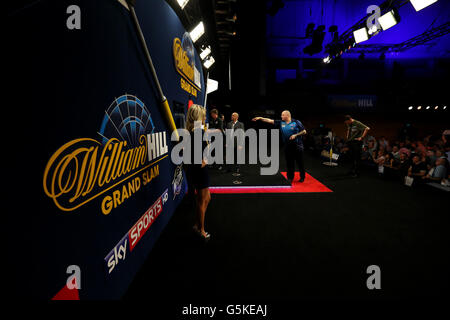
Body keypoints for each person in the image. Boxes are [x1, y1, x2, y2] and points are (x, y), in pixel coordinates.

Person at [252, 110, 307, 183]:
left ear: (287, 115)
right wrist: (260, 118)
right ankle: (290, 177)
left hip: (297, 146)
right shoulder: (281, 122)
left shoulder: (296, 122)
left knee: (300, 163)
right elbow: (269, 120)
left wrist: (296, 135)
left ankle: (302, 177)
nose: (281, 116)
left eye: (282, 115)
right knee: (289, 163)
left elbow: (304, 131)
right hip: (287, 146)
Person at [184, 104, 211, 241]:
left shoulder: (196, 131)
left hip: (200, 170)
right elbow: (197, 158)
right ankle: (201, 229)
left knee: (207, 198)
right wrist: (205, 160)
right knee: (202, 200)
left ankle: (197, 224)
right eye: (204, 115)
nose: (206, 117)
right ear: (198, 117)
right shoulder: (196, 133)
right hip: (200, 171)